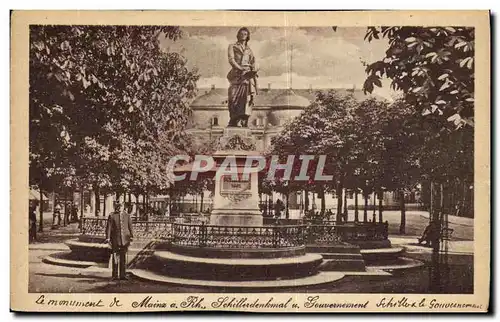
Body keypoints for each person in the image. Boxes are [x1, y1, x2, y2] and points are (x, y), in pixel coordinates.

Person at [227, 27, 258, 127]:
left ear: (248, 36)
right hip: (236, 75)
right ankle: (233, 120)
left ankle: (244, 121)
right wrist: (240, 69)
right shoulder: (232, 46)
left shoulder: (249, 50)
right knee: (233, 98)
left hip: (247, 76)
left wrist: (254, 71)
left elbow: (253, 62)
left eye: (245, 34)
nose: (243, 35)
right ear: (238, 35)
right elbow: (231, 59)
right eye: (241, 33)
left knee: (247, 99)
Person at [105, 201, 134, 280]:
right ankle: (114, 275)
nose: (120, 207)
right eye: (118, 206)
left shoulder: (127, 216)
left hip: (125, 240)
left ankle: (123, 275)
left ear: (123, 207)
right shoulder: (112, 215)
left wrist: (131, 237)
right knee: (115, 258)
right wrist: (107, 238)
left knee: (123, 258)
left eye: (121, 206)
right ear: (116, 207)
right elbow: (109, 228)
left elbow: (130, 227)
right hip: (115, 240)